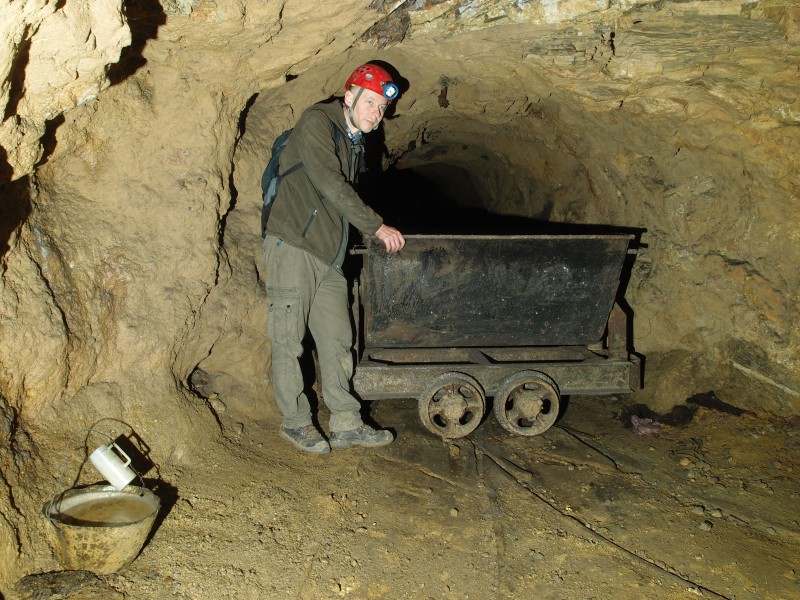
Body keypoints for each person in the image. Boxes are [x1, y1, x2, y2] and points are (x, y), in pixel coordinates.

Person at [262, 63, 406, 454]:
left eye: (381, 108)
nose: (376, 113)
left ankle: (346, 422)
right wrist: (377, 227)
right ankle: (295, 422)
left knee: (339, 341)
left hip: (328, 258)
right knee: (288, 339)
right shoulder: (318, 121)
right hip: (291, 245)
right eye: (371, 102)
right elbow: (329, 181)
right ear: (350, 96)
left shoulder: (354, 142)